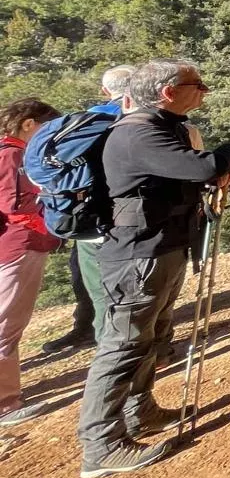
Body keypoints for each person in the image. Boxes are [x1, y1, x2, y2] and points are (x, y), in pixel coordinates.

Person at [78, 60, 230, 478]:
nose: (204, 91)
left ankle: (141, 412)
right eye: (197, 85)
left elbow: (184, 178)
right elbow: (204, 167)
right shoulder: (137, 133)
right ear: (168, 91)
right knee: (124, 345)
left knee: (152, 336)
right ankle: (101, 446)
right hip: (138, 255)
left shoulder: (162, 127)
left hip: (160, 248)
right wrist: (227, 153)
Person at [37, 64, 135, 356]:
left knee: (98, 290)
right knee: (132, 289)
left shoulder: (80, 123)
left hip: (83, 219)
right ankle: (124, 353)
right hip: (129, 217)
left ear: (105, 91)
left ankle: (106, 345)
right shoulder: (141, 119)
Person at [1, 99, 61, 427]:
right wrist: (51, 227)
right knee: (7, 324)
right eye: (46, 128)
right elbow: (14, 207)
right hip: (19, 246)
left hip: (16, 245)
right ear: (28, 124)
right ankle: (5, 404)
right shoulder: (12, 155)